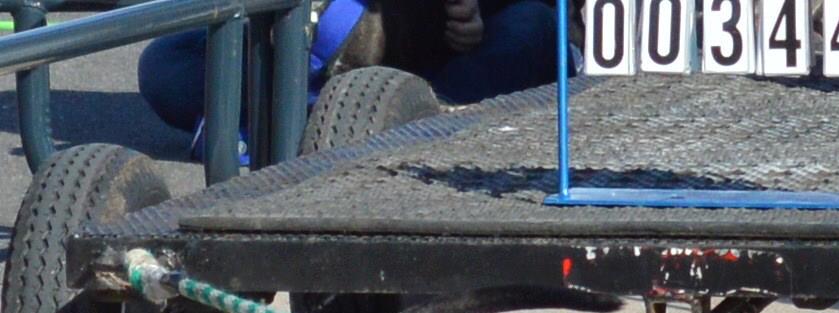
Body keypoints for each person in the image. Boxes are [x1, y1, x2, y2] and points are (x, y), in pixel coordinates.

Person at [137, 0, 574, 158]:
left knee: (534, 27)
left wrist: (474, 13)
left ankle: (298, 122)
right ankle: (343, 119)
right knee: (164, 67)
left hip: (437, 56)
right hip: (328, 46)